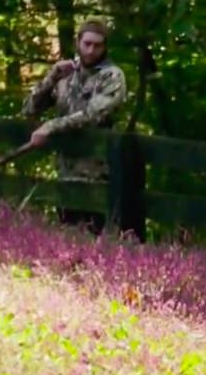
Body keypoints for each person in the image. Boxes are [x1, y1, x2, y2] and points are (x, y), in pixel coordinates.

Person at [21, 19, 127, 235]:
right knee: (66, 232)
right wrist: (52, 77)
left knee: (96, 233)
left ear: (105, 47)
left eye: (97, 45)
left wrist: (51, 126)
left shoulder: (112, 76)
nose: (91, 50)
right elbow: (29, 109)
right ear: (78, 42)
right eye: (87, 44)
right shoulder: (66, 74)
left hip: (100, 172)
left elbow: (92, 115)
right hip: (65, 169)